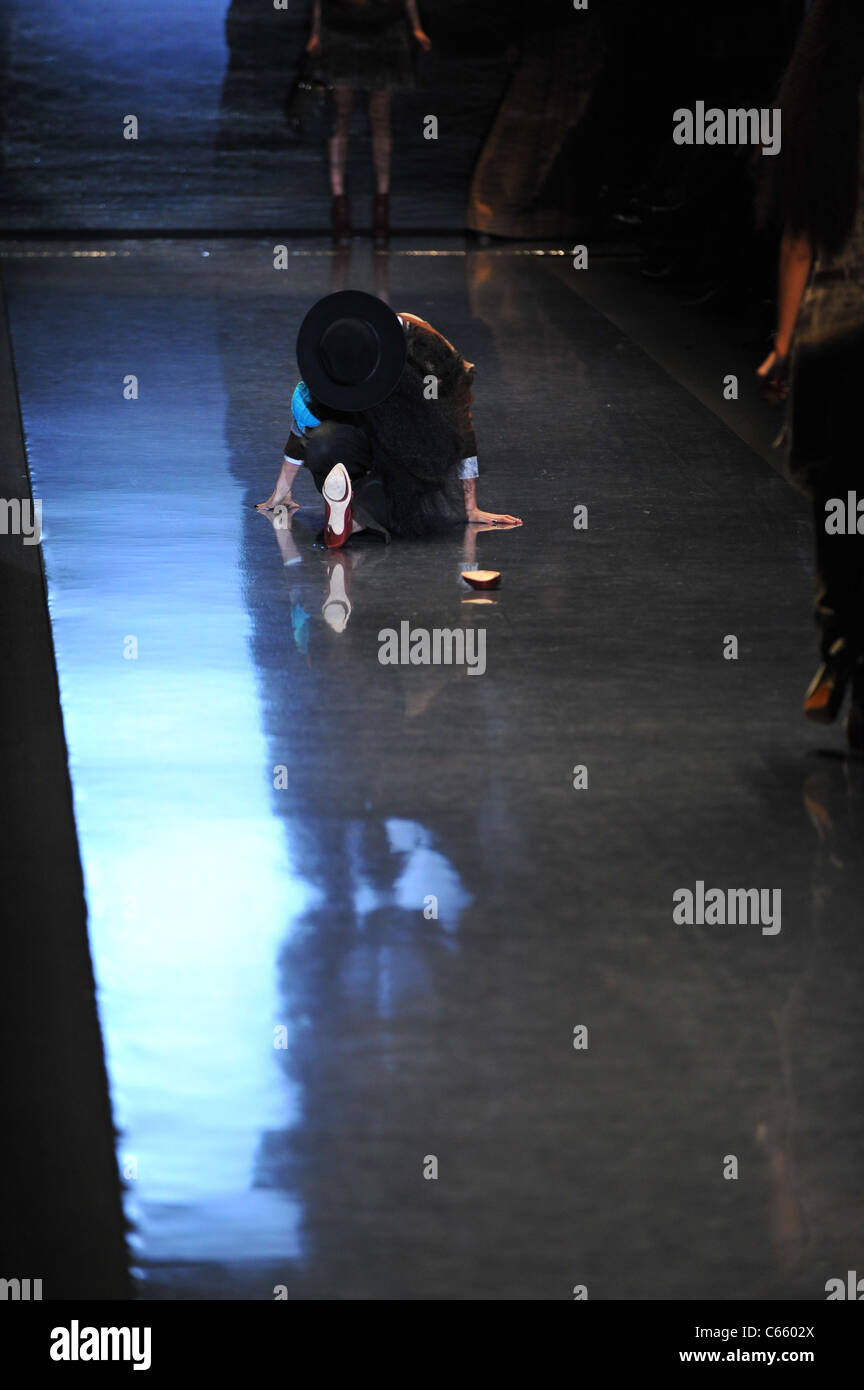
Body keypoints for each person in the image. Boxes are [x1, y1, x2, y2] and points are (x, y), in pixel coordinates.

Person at [756, 0, 864, 748]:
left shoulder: (813, 108)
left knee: (842, 511)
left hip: (831, 335)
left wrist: (785, 345)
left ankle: (838, 642)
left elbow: (798, 241)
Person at [257, 291, 522, 543]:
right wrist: (281, 491)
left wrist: (470, 506)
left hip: (411, 443)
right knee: (325, 445)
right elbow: (306, 411)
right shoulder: (339, 342)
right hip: (359, 436)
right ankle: (355, 514)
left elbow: (459, 419)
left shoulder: (425, 346)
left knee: (340, 453)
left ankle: (354, 513)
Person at [306, 1, 431, 247]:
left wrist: (416, 27)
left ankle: (381, 205)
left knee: (378, 117)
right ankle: (340, 203)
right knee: (341, 117)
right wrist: (315, 32)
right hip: (342, 28)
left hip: (384, 29)